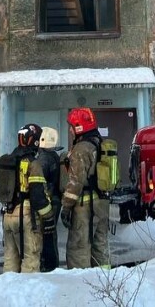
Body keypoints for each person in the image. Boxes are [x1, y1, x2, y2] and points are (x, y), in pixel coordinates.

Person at [60, 107, 110, 269]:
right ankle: (105, 284)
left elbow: (75, 182)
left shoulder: (81, 150)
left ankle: (80, 287)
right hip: (102, 203)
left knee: (78, 249)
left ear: (79, 127)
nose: (70, 130)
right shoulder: (99, 143)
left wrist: (66, 208)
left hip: (84, 207)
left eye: (72, 126)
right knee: (100, 246)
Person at [1, 123, 55, 273]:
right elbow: (38, 196)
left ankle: (8, 292)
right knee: (30, 258)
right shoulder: (33, 163)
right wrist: (49, 216)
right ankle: (27, 294)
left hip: (7, 215)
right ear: (35, 141)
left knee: (10, 259)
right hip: (25, 216)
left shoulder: (8, 160)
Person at [37, 126, 64, 272]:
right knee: (51, 234)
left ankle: (48, 265)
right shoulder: (54, 156)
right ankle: (52, 264)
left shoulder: (43, 159)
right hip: (55, 200)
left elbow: (38, 181)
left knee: (46, 234)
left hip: (48, 202)